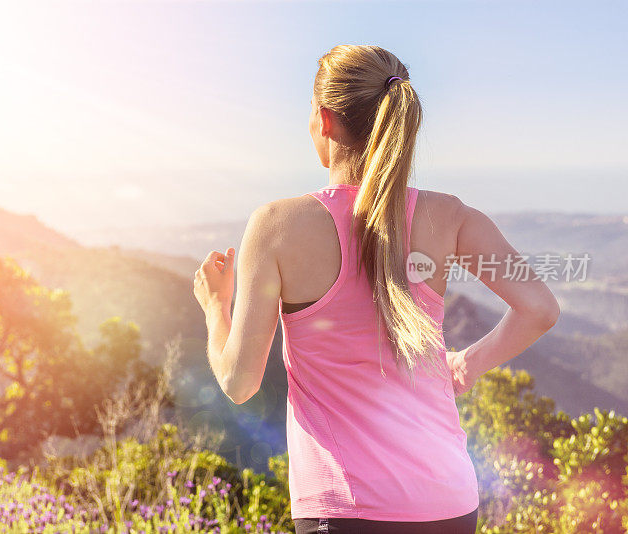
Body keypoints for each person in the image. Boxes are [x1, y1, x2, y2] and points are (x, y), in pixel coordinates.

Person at [193, 44, 560, 534]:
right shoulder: (451, 216)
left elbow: (240, 384)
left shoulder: (277, 225)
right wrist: (466, 366)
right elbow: (539, 308)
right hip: (450, 505)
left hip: (348, 511)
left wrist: (217, 306)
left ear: (323, 120)